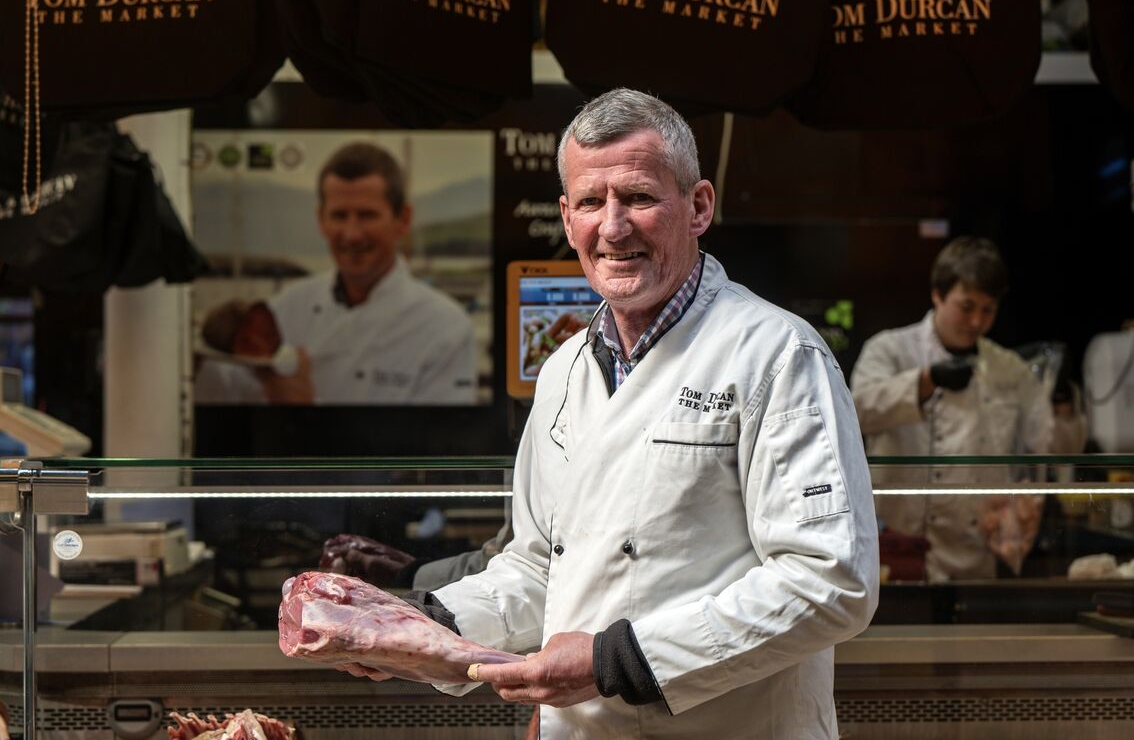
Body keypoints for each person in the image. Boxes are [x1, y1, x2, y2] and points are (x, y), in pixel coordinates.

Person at [338, 89, 879, 738]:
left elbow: (830, 583)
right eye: (592, 202)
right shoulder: (563, 369)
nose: (614, 227)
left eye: (639, 197)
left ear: (698, 206)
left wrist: (615, 661)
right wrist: (423, 625)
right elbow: (539, 566)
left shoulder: (777, 355)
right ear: (568, 220)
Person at [850, 236, 1087, 581]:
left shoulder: (1008, 369)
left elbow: (1054, 448)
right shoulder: (890, 350)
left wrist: (1063, 400)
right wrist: (926, 381)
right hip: (897, 547)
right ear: (938, 294)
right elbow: (858, 412)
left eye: (987, 310)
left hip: (976, 552)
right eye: (966, 307)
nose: (976, 321)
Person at [195, 142, 476, 404]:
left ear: (402, 219)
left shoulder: (445, 328)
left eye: (367, 215)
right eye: (340, 216)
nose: (352, 234)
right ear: (321, 219)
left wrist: (306, 410)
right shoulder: (286, 308)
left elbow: (443, 438)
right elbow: (230, 391)